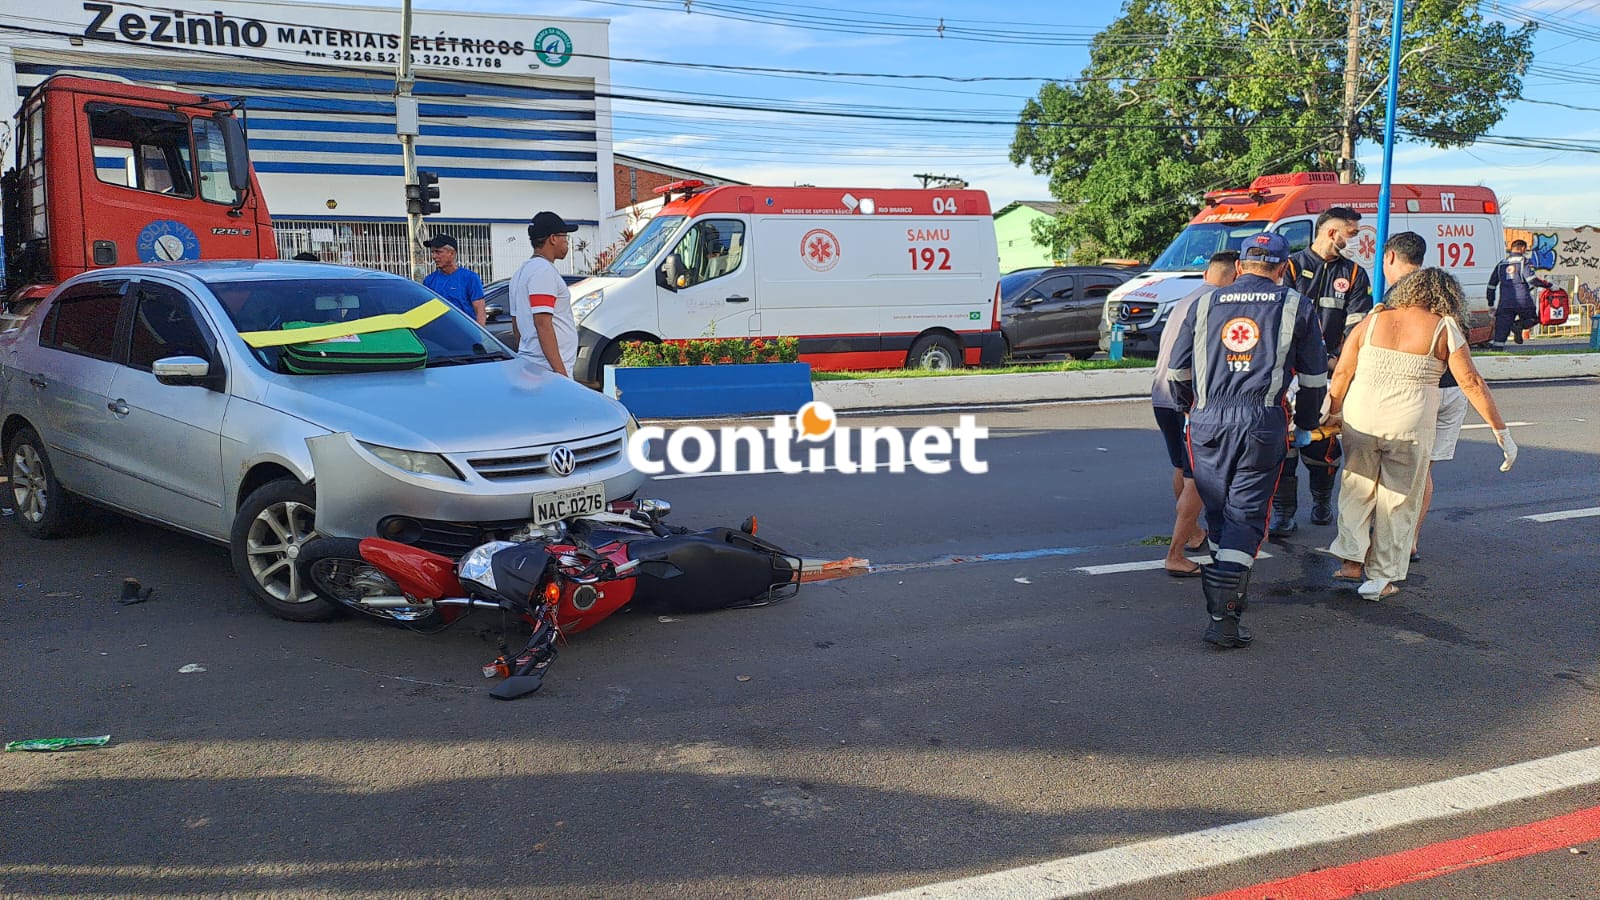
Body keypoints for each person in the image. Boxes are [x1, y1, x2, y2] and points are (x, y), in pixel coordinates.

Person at [1166, 233, 1329, 649]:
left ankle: (1228, 592)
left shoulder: (1203, 303)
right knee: (1247, 515)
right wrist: (1307, 425)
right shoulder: (1295, 305)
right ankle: (1223, 618)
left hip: (1206, 421)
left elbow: (1177, 373)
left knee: (1219, 512)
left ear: (1240, 266)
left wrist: (1192, 408)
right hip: (1261, 419)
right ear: (1280, 269)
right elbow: (1313, 379)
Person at [1325, 268, 1517, 600]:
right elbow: (1471, 382)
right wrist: (1501, 432)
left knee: (1356, 488)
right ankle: (1379, 579)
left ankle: (1350, 562)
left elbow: (1343, 370)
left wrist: (1333, 411)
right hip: (1408, 422)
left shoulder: (1372, 320)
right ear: (1449, 296)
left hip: (1360, 417)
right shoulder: (1445, 327)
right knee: (1397, 499)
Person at [1269, 207, 1374, 536]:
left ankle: (1321, 500)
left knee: (1323, 444)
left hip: (1330, 373)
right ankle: (1284, 511)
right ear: (1332, 233)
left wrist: (1337, 364)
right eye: (1352, 234)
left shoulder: (1355, 275)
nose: (1356, 241)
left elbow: (1357, 329)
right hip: (1286, 373)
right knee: (1283, 445)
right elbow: (1277, 321)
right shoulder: (1290, 266)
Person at [1152, 250, 1239, 577]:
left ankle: (1192, 534)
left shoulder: (1187, 299)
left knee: (1182, 468)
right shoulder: (1218, 305)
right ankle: (1175, 553)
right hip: (1189, 400)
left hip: (1162, 396)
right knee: (1198, 478)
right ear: (1234, 275)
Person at [1379, 232, 1461, 563]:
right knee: (1422, 469)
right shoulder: (1444, 288)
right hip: (1452, 386)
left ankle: (1388, 538)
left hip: (1420, 387)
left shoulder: (1400, 294)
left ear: (1390, 258)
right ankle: (1411, 539)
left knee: (1395, 467)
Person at [510, 211, 580, 377]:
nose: (566, 242)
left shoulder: (521, 273)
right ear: (553, 238)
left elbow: (516, 323)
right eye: (565, 237)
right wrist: (560, 373)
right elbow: (542, 323)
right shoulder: (543, 271)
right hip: (548, 369)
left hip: (535, 364)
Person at [1486, 239, 1550, 350]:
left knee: (1501, 331)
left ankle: (1497, 352)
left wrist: (1491, 303)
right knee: (1533, 319)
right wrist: (1549, 286)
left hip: (1504, 303)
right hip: (1523, 301)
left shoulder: (1501, 264)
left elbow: (1491, 285)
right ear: (1522, 248)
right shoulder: (1524, 262)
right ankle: (1518, 325)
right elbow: (1532, 280)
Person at [422, 234, 487, 326]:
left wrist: (480, 336)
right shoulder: (429, 281)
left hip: (465, 333)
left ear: (452, 253)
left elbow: (480, 311)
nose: (434, 256)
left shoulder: (470, 278)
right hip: (438, 334)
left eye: (438, 252)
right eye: (432, 252)